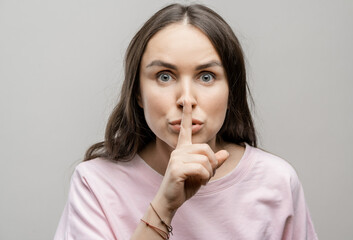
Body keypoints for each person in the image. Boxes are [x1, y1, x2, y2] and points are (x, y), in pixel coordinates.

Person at [54, 3, 318, 240]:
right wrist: (164, 205)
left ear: (231, 91)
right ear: (137, 93)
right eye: (165, 76)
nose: (186, 99)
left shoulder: (277, 181)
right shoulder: (95, 184)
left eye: (206, 76)